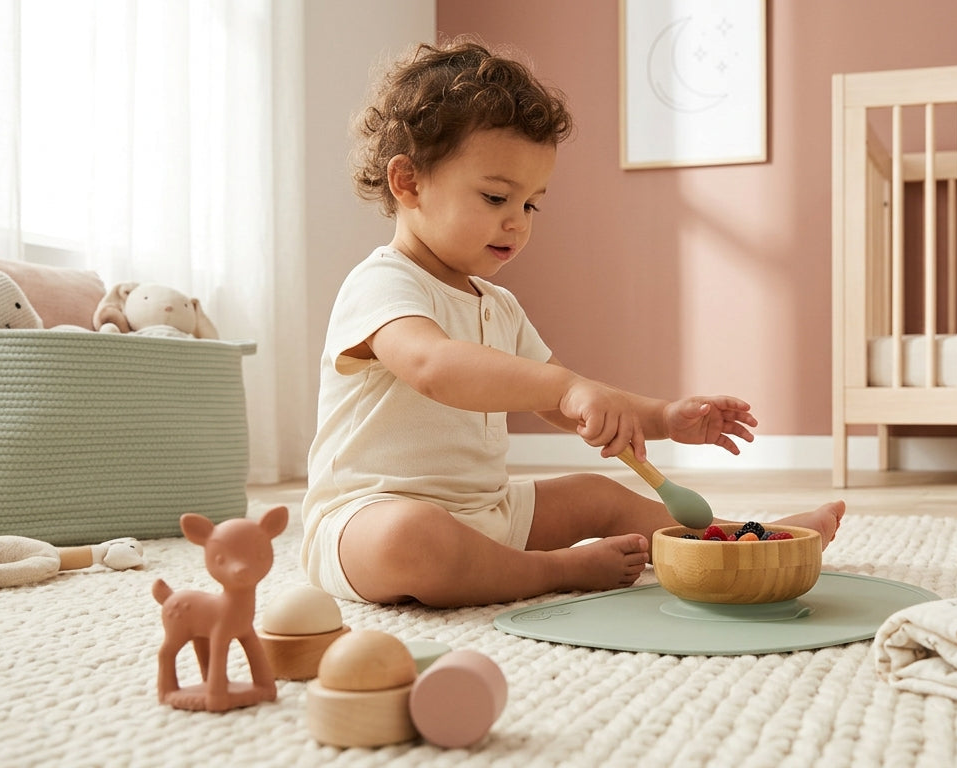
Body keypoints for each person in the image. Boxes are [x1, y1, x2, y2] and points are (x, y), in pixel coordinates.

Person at [301, 38, 845, 608]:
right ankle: (549, 572)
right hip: (366, 524)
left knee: (597, 495)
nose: (517, 222)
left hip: (486, 513)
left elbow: (571, 402)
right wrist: (566, 387)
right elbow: (434, 366)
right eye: (496, 197)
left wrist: (663, 418)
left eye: (531, 204)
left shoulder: (498, 305)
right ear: (408, 182)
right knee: (413, 538)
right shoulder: (382, 283)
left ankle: (742, 540)